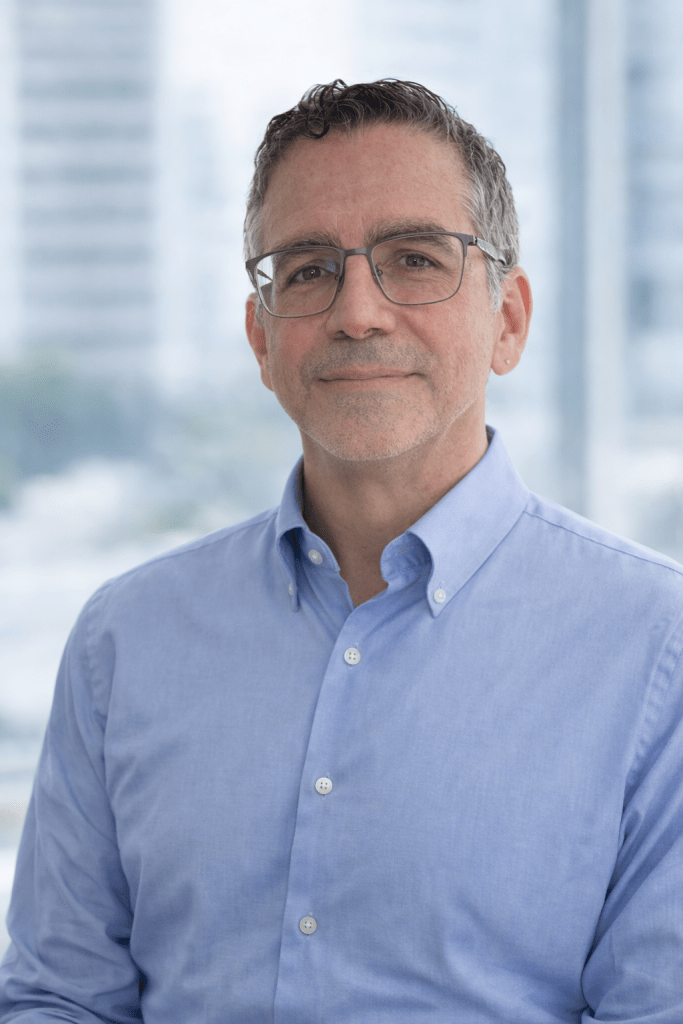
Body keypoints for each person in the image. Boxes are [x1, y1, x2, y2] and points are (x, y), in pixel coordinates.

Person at [0, 78, 682, 1024]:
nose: (358, 312)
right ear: (261, 336)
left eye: (412, 258)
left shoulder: (657, 646)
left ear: (509, 320)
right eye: (310, 268)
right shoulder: (125, 639)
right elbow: (59, 999)